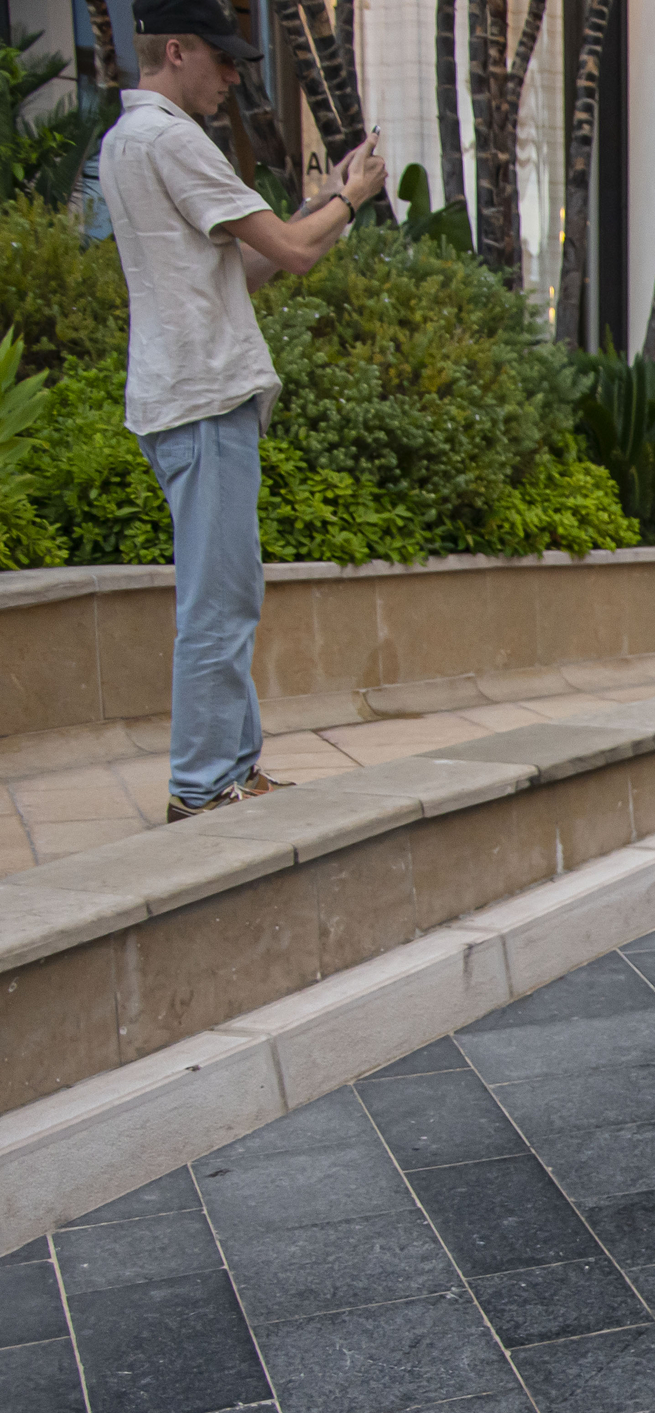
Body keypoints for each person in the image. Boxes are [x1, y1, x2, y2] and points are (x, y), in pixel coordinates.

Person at [102, 4, 386, 821]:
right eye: (222, 62)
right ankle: (201, 787)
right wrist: (353, 200)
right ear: (177, 51)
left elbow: (256, 271)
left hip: (182, 395)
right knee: (219, 600)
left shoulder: (128, 143)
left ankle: (234, 769)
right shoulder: (171, 140)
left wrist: (326, 200)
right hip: (203, 398)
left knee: (228, 589)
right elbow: (294, 254)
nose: (232, 78)